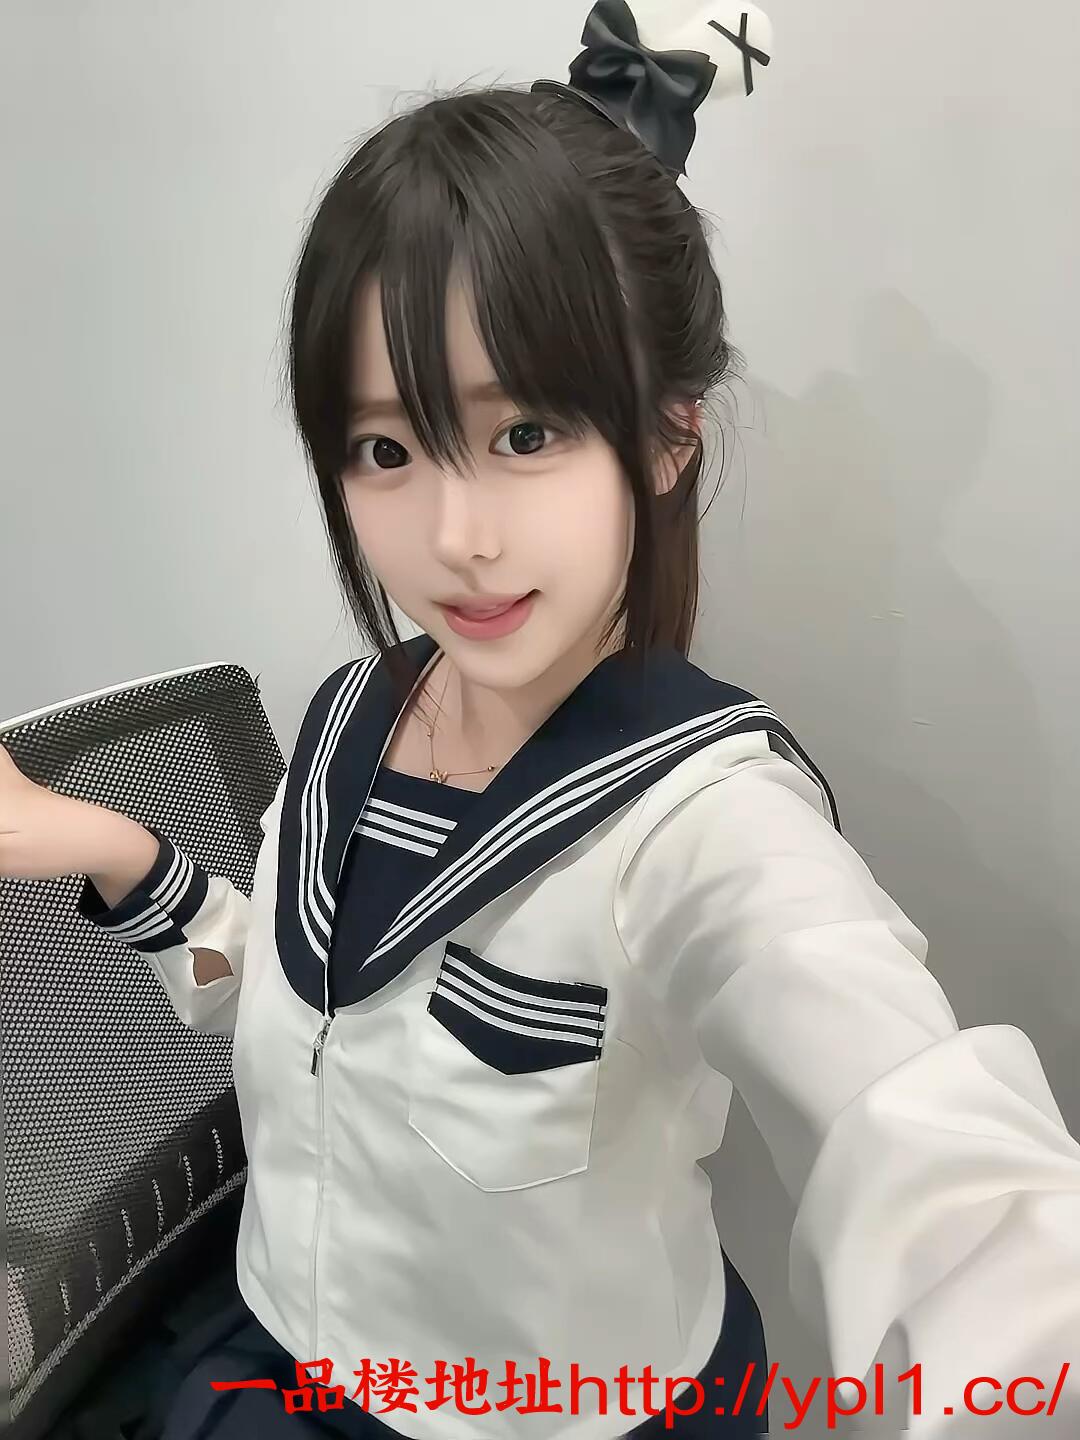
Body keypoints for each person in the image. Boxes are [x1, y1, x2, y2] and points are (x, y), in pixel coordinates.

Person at [2, 2, 1079, 1436]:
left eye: (526, 435)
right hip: (283, 1360)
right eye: (387, 447)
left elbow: (941, 1161)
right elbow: (309, 1015)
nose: (457, 538)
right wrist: (116, 854)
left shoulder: (705, 830)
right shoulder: (348, 719)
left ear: (669, 436)